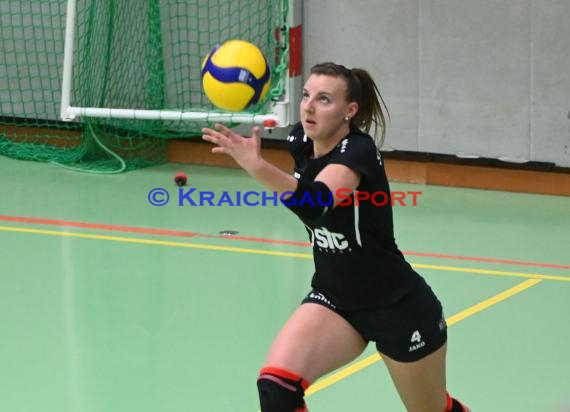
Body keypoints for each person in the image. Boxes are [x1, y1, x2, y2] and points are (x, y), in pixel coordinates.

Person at [202, 62, 470, 412]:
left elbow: (316, 203)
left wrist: (256, 166)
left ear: (350, 110)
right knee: (276, 389)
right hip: (335, 300)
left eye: (324, 99)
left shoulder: (357, 152)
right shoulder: (301, 139)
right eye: (307, 96)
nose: (310, 106)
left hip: (398, 307)